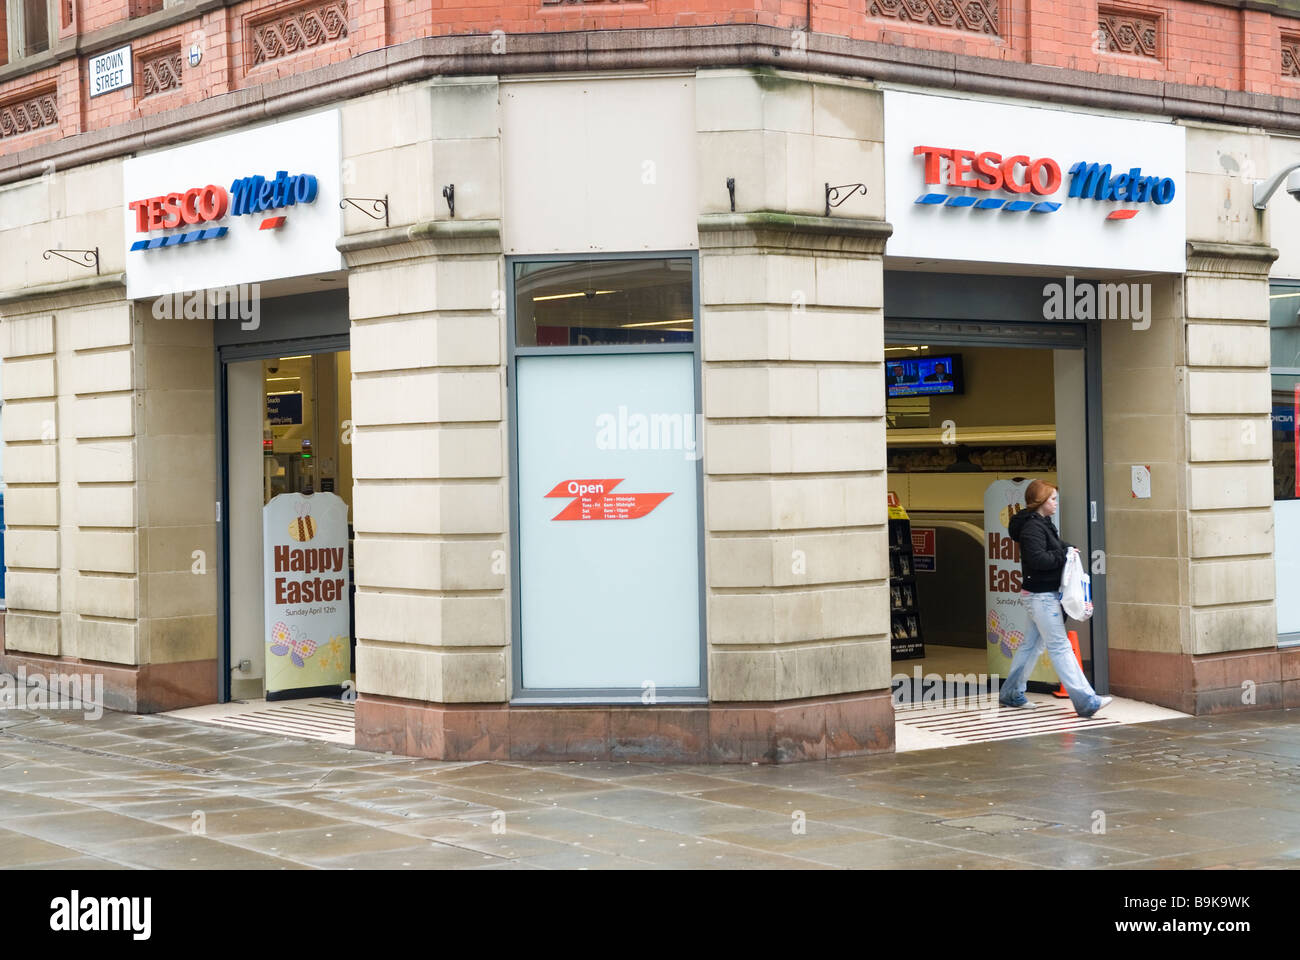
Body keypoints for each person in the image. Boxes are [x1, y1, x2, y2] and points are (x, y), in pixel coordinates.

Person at [999, 479, 1112, 719]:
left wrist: (1068, 548)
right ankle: (1086, 701)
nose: (1056, 503)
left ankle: (1011, 693)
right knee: (1060, 646)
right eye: (1052, 499)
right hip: (1041, 596)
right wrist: (1064, 555)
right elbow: (1039, 559)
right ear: (1040, 501)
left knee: (1031, 646)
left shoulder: (1042, 523)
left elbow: (1055, 546)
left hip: (1039, 595)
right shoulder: (1032, 528)